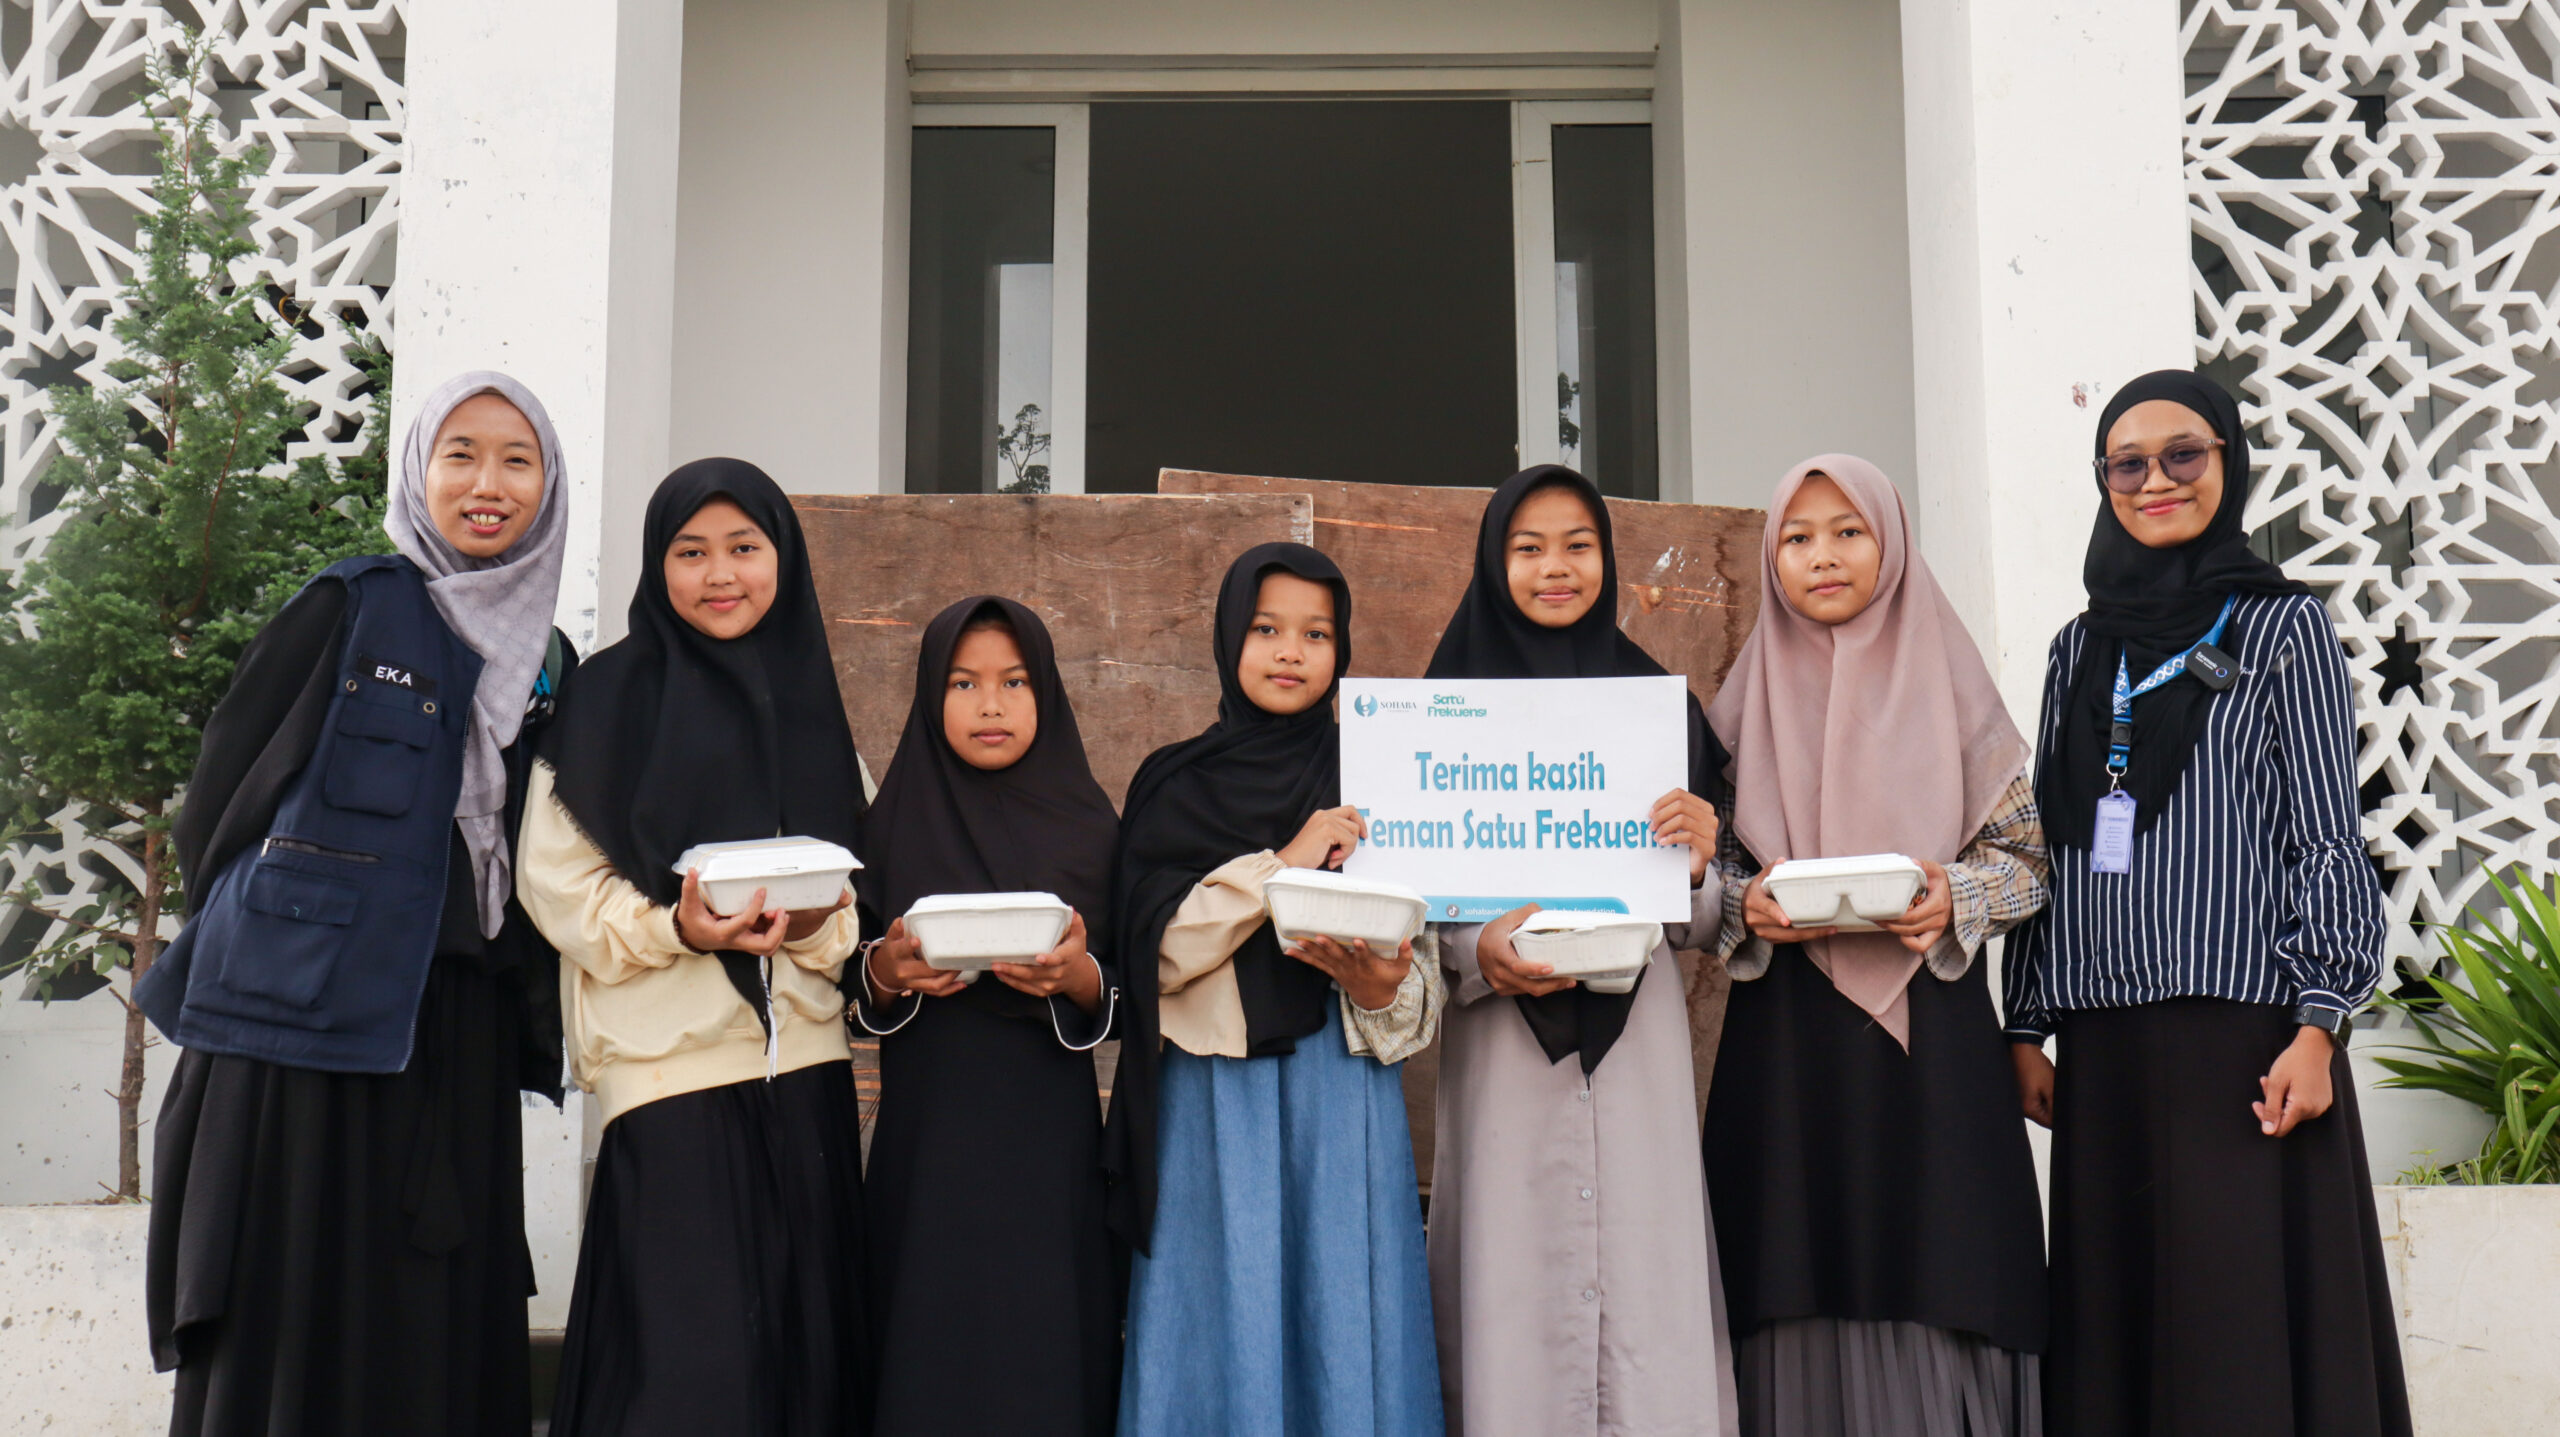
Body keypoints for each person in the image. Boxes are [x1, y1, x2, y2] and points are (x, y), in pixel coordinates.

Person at [140, 372, 575, 1436]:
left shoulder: (548, 660)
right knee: (297, 1298)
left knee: (427, 1313)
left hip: (457, 1030)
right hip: (308, 1036)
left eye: (517, 461)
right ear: (418, 471)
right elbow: (222, 801)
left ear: (549, 487)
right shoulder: (351, 604)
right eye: (460, 454)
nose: (488, 484)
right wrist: (288, 945)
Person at [2004, 370, 2410, 1437]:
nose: (2155, 481)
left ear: (2228, 460)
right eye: (2127, 464)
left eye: (2183, 454)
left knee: (2236, 1337)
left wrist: (2319, 1022)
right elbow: (2051, 839)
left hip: (2245, 1043)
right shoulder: (2079, 647)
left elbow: (2325, 832)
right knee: (2119, 1337)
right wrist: (2026, 1023)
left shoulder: (2282, 627)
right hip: (2104, 1046)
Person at [516, 458, 871, 1437]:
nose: (720, 574)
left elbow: (854, 890)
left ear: (782, 558)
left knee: (807, 1369)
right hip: (669, 1076)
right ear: (657, 563)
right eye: (691, 552)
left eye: (744, 548)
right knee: (688, 1374)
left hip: (805, 1072)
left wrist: (815, 927)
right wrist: (677, 926)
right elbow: (557, 888)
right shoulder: (607, 700)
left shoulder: (812, 705)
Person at [1703, 455, 2049, 1436]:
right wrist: (1745, 907)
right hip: (1786, 1045)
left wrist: (1952, 896)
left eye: (1848, 531)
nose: (1823, 556)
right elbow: (1702, 874)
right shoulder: (1737, 709)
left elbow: (2028, 863)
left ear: (1890, 543)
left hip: (1932, 1043)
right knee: (1790, 1257)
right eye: (1798, 537)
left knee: (1945, 1257)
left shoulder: (1952, 684)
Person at [1105, 542, 1446, 1437]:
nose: (1291, 651)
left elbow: (1417, 977)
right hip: (1214, 1097)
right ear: (1230, 638)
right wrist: (1281, 865)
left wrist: (1382, 985)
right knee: (1221, 1317)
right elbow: (1155, 958)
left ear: (1342, 649)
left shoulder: (1377, 779)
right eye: (1266, 629)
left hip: (1342, 1093)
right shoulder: (1174, 781)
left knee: (1342, 1316)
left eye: (1316, 633)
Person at [1421, 465, 1735, 1437]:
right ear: (1494, 561)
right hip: (1501, 1047)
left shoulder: (1658, 711)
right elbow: (1408, 902)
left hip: (1636, 1046)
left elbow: (1706, 923)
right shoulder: (1443, 715)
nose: (1554, 567)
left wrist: (1698, 863)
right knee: (1510, 1289)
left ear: (1607, 558)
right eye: (1528, 548)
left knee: (1647, 1284)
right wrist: (1475, 949)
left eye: (1577, 546)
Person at [854, 596, 1122, 1435]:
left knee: (1043, 1336)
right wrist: (889, 970)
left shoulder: (1090, 825)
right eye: (964, 683)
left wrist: (1077, 976)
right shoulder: (892, 821)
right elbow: (852, 978)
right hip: (930, 1133)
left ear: (1048, 692)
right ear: (931, 693)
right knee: (929, 1335)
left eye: (1015, 681)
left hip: (1048, 1137)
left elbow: (1123, 992)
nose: (991, 704)